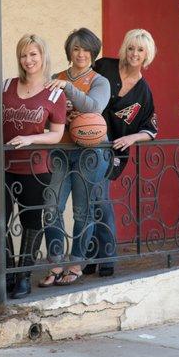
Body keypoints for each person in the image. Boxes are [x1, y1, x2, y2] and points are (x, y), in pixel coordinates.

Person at [0, 34, 66, 299]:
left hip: (35, 168)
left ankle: (24, 277)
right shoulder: (6, 86)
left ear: (43, 57)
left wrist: (31, 138)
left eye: (33, 54)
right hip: (2, 166)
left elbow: (57, 134)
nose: (28, 60)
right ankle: (5, 276)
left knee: (31, 221)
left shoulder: (55, 93)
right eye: (23, 55)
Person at [40, 28, 111, 287]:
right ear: (69, 51)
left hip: (90, 154)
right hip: (61, 151)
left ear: (94, 52)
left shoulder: (99, 81)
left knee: (83, 211)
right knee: (51, 207)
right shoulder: (55, 78)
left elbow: (94, 108)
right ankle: (56, 262)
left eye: (86, 49)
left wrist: (68, 88)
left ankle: (77, 263)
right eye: (76, 48)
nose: (81, 54)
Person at [84, 28, 158, 276]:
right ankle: (92, 255)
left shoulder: (144, 92)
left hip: (112, 149)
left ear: (147, 55)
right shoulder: (104, 66)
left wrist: (132, 137)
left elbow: (151, 128)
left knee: (99, 197)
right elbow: (81, 81)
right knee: (88, 199)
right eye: (131, 48)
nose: (134, 53)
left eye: (140, 50)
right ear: (124, 49)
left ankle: (106, 256)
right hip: (85, 142)